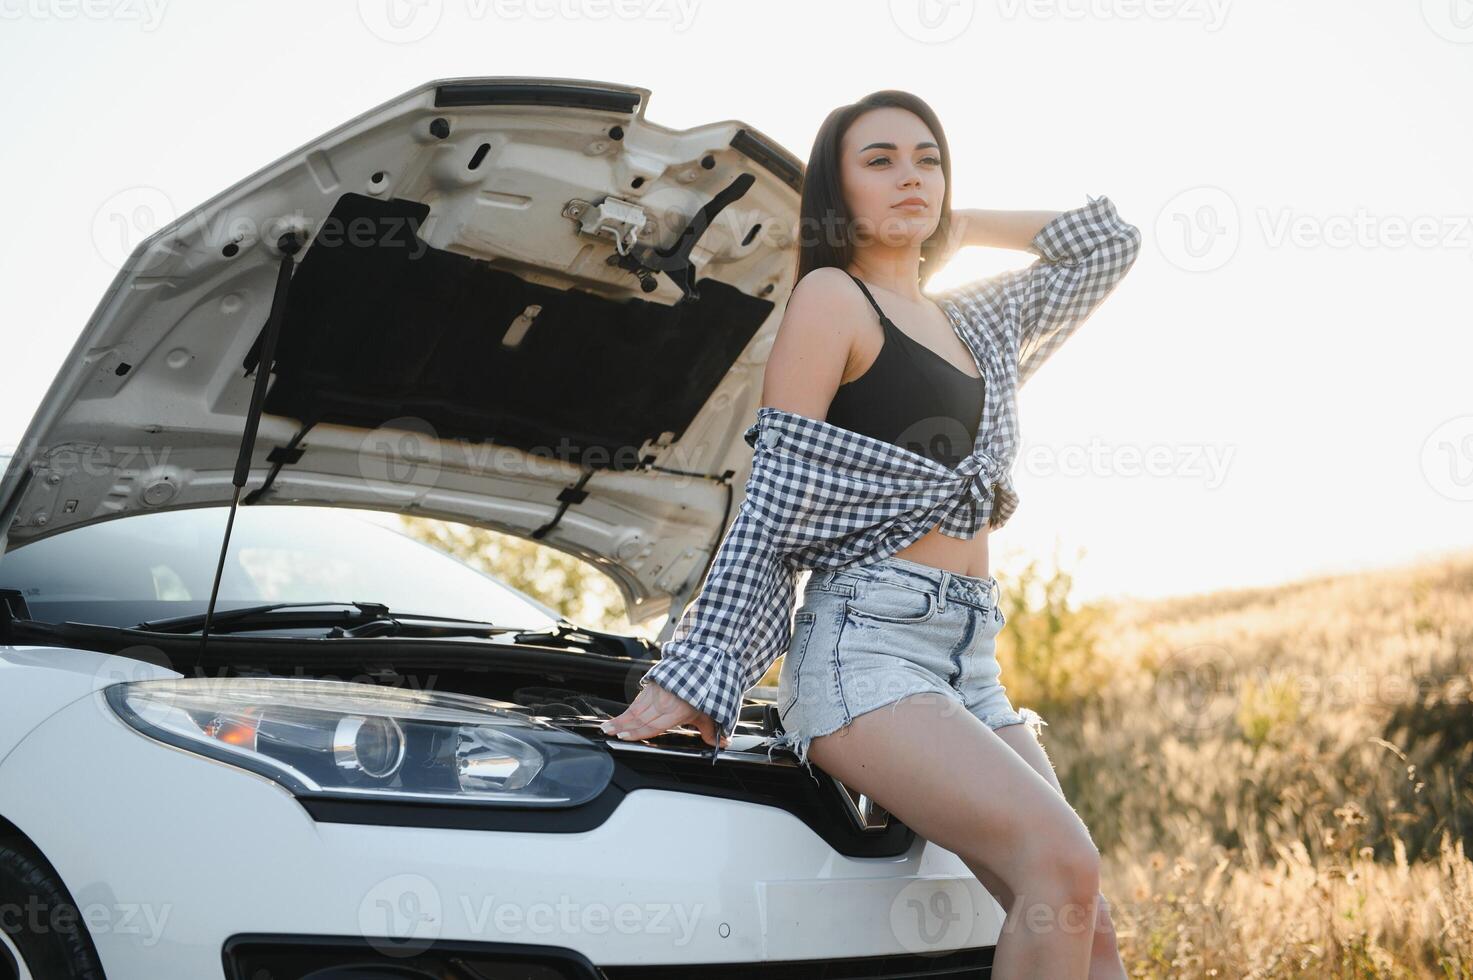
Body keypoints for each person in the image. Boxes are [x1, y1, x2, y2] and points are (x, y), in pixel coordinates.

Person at [602, 89, 1139, 979]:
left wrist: (955, 221)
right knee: (1062, 864)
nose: (910, 176)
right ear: (834, 190)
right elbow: (771, 499)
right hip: (867, 652)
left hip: (970, 658)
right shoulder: (830, 299)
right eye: (880, 161)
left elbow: (1104, 245)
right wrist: (698, 672)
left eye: (926, 159)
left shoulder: (976, 318)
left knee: (1086, 918)